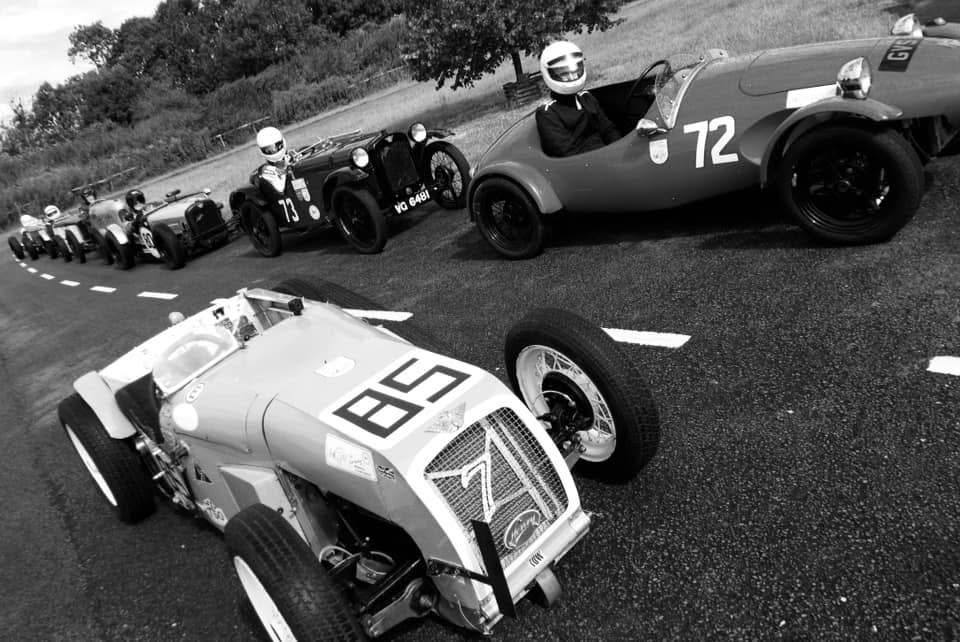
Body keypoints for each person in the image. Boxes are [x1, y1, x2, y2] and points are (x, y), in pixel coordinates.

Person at [535, 40, 621, 158]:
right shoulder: (547, 113)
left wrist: (619, 150)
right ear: (549, 73)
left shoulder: (586, 98)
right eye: (564, 74)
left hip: (608, 156)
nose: (572, 77)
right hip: (584, 167)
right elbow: (567, 153)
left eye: (574, 71)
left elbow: (608, 130)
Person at [255, 126, 295, 197]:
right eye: (269, 150)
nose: (274, 151)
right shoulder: (267, 170)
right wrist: (284, 167)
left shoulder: (290, 154)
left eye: (277, 146)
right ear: (262, 151)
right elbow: (281, 189)